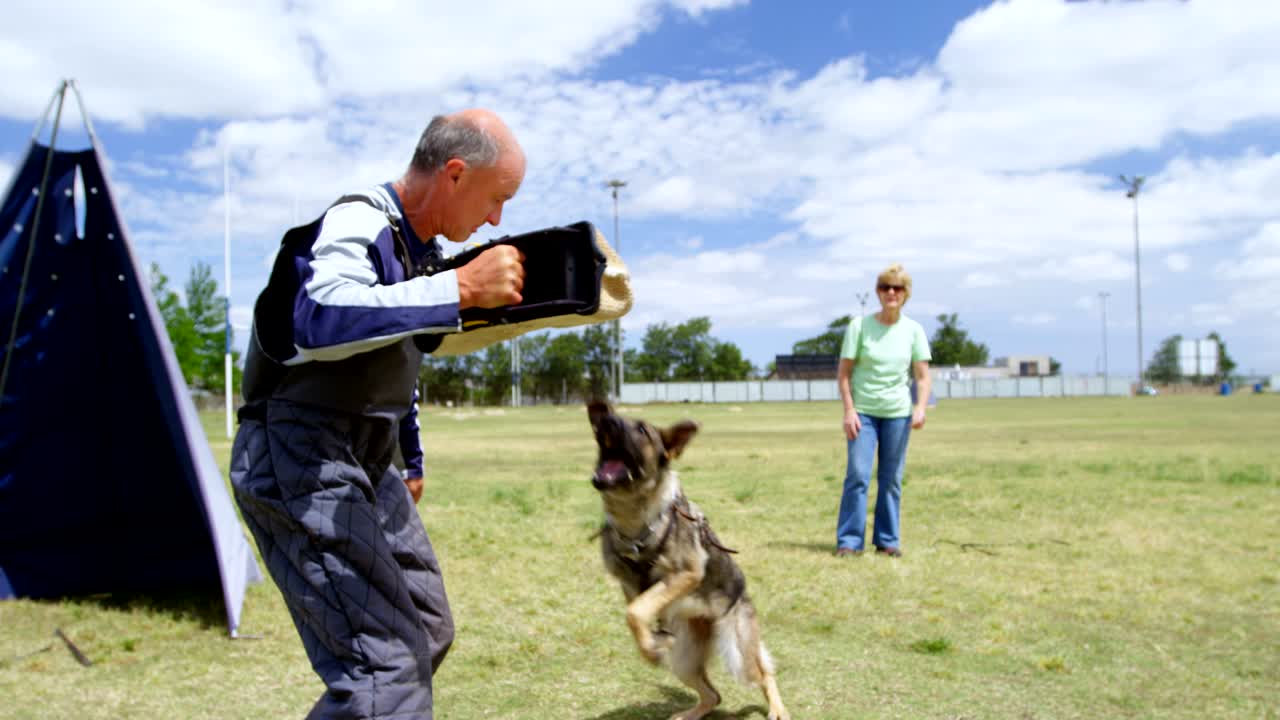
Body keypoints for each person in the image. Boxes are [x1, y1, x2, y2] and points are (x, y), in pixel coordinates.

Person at [230, 109, 527, 719]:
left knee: (422, 626)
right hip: (299, 450)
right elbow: (320, 316)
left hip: (366, 454)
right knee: (384, 663)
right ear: (454, 174)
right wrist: (459, 290)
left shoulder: (417, 257)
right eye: (497, 199)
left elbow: (398, 358)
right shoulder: (360, 218)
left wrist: (408, 459)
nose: (495, 220)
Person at [834, 263, 932, 558]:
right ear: (877, 292)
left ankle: (887, 540)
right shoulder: (859, 327)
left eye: (898, 288)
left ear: (906, 294)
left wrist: (920, 408)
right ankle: (850, 542)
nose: (891, 292)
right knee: (858, 476)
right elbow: (844, 375)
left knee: (891, 478)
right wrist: (849, 411)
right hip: (864, 413)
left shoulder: (913, 330)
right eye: (885, 287)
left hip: (898, 415)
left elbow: (923, 377)